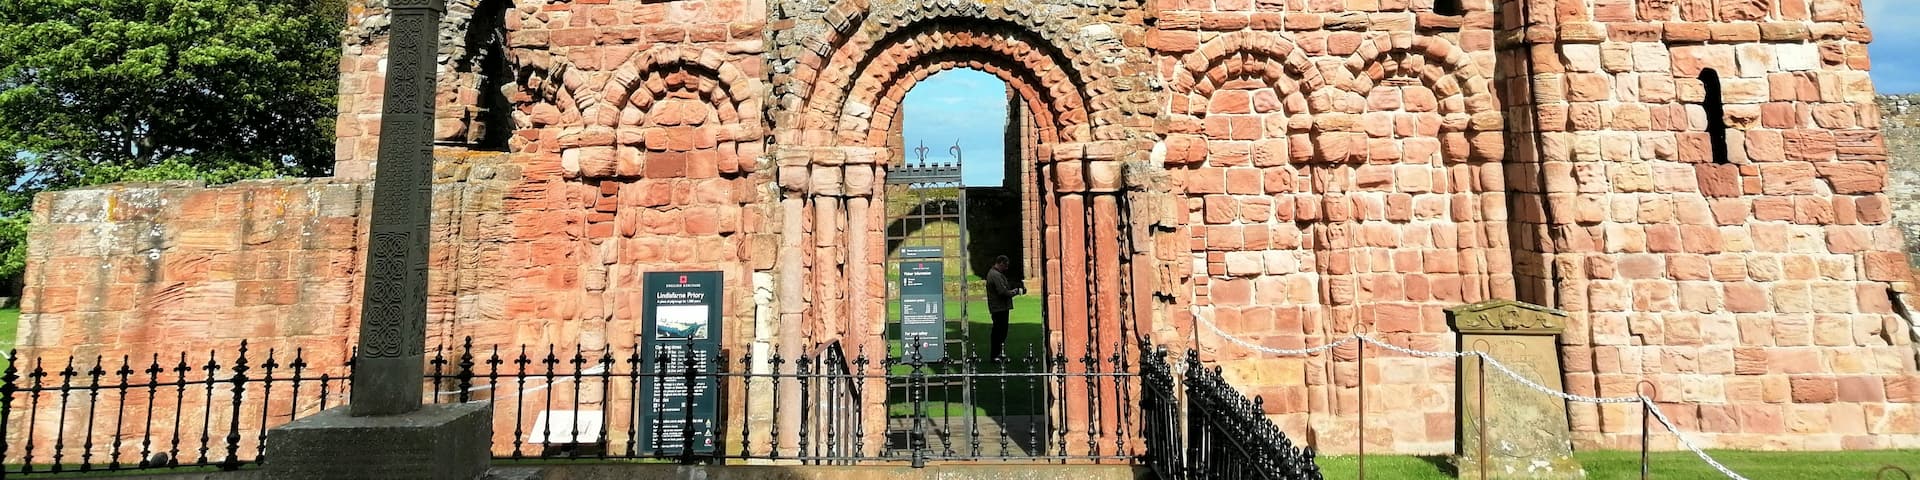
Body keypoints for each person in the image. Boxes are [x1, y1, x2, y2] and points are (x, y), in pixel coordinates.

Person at [985, 255, 1024, 360]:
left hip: (1000, 307)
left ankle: (998, 354)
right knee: (999, 332)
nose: (1006, 268)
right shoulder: (995, 275)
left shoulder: (996, 274)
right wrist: (1016, 292)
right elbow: (1002, 291)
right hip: (999, 308)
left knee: (1001, 332)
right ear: (1001, 263)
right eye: (1005, 265)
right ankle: (996, 355)